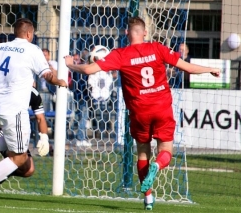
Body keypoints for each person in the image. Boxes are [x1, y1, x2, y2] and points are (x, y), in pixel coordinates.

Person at [64, 16, 220, 210]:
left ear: (126, 33)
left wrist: (70, 64)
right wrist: (210, 69)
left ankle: (147, 198)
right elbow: (186, 67)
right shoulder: (157, 48)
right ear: (145, 32)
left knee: (143, 152)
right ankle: (158, 166)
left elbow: (88, 70)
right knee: (165, 151)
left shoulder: (120, 54)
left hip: (139, 111)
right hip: (162, 107)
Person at [0, 18, 67, 201]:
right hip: (13, 108)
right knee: (20, 158)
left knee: (16, 142)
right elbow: (47, 75)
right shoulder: (33, 50)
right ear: (29, 34)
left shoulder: (1, 47)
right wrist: (59, 81)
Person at [0, 86, 49, 195]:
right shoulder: (5, 88)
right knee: (19, 159)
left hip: (16, 131)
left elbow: (40, 118)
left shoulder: (33, 94)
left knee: (28, 170)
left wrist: (44, 138)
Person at [86, 52, 115, 139]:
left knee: (105, 115)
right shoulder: (94, 72)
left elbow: (110, 83)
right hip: (95, 98)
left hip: (106, 97)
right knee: (96, 115)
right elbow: (90, 85)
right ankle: (97, 132)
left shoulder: (107, 72)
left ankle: (104, 131)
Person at [70, 53, 91, 147]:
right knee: (83, 118)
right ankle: (80, 138)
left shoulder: (76, 69)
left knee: (82, 117)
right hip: (83, 96)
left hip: (78, 96)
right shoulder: (81, 69)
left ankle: (83, 137)